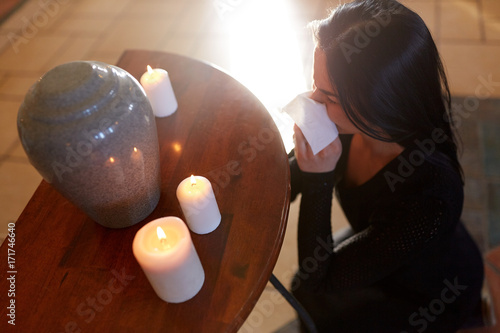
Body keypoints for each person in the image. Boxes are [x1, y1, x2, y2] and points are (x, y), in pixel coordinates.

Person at [289, 0, 484, 332]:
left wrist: (320, 179)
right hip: (387, 242)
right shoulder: (354, 123)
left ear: (381, 104)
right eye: (315, 84)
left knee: (309, 296)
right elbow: (290, 175)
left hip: (425, 294)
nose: (313, 101)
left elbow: (316, 278)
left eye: (330, 97)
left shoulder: (430, 195)